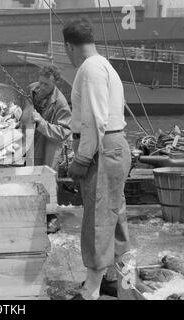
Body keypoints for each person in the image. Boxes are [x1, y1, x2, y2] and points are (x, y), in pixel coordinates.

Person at [63, 18, 131, 300]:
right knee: (114, 213)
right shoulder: (104, 64)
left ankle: (91, 290)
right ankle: (116, 278)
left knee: (98, 218)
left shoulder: (89, 69)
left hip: (101, 148)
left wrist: (81, 158)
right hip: (114, 144)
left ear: (69, 46)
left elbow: (94, 121)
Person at [29, 65, 72, 172]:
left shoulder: (60, 103)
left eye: (46, 84)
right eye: (41, 82)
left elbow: (64, 132)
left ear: (55, 83)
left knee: (45, 179)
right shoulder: (32, 89)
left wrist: (41, 122)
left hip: (47, 148)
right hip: (31, 144)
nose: (42, 87)